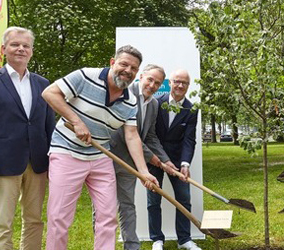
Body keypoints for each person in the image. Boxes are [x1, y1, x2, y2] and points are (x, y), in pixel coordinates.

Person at [41, 45, 159, 250]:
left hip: (100, 156)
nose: (128, 71)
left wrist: (143, 172)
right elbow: (50, 93)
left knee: (108, 216)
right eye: (124, 64)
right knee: (59, 217)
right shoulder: (86, 76)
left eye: (133, 68)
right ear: (112, 62)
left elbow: (132, 136)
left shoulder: (130, 102)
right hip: (67, 152)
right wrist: (76, 121)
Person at [0, 26, 55, 250]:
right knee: (2, 224)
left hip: (38, 164)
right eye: (15, 44)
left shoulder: (43, 84)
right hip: (3, 165)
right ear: (4, 49)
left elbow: (50, 127)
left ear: (31, 51)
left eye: (26, 45)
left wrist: (52, 162)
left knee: (34, 220)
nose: (21, 49)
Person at [109, 64, 175, 250]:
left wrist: (165, 160)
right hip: (110, 158)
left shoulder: (153, 104)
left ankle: (132, 247)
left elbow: (150, 136)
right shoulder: (124, 93)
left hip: (131, 162)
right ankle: (104, 245)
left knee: (127, 206)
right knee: (104, 208)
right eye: (150, 79)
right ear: (141, 76)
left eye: (158, 83)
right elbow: (127, 133)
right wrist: (154, 159)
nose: (153, 85)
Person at [148, 69, 200, 250]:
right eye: (177, 81)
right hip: (154, 158)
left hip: (178, 161)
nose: (180, 85)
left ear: (188, 85)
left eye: (184, 83)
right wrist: (158, 160)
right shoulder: (156, 102)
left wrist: (185, 164)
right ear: (170, 83)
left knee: (184, 199)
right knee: (153, 199)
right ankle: (157, 239)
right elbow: (150, 133)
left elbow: (189, 140)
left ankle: (184, 239)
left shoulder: (192, 109)